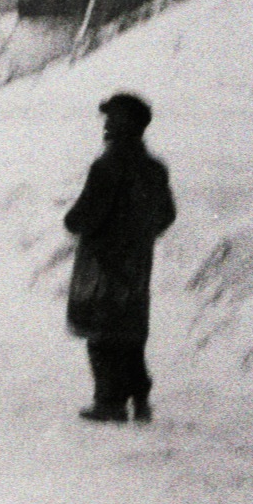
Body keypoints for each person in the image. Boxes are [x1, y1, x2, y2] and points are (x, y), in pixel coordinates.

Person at [63, 93, 177, 423]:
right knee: (131, 332)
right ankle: (140, 400)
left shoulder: (107, 167)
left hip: (102, 263)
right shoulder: (155, 169)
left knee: (101, 333)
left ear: (126, 125)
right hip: (137, 264)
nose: (106, 125)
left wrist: (74, 224)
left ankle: (109, 402)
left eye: (112, 119)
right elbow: (167, 214)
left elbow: (85, 215)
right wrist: (140, 237)